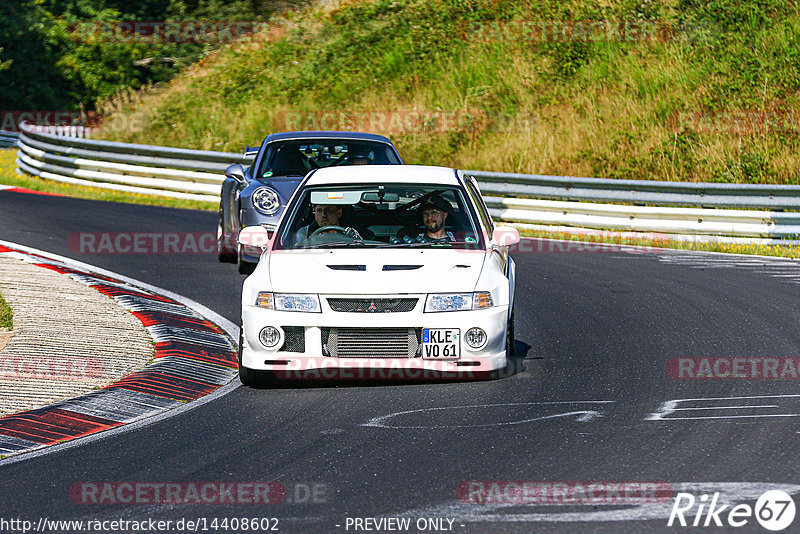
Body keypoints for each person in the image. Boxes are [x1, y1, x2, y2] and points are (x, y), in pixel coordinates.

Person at [295, 203, 361, 244]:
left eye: (329, 210)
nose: (323, 215)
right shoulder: (304, 234)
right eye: (319, 211)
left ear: (339, 213)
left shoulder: (353, 233)